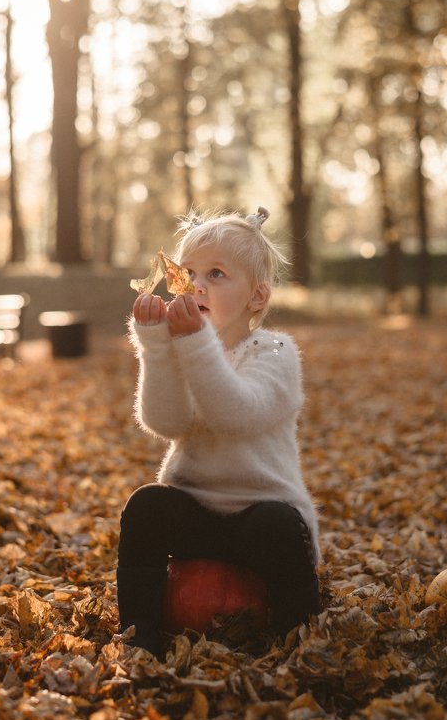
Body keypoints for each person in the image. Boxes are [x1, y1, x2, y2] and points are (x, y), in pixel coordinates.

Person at [117, 206, 320, 657]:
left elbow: (236, 413)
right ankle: (139, 636)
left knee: (277, 527)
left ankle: (302, 637)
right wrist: (154, 348)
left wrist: (191, 346)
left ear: (257, 297)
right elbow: (165, 422)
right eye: (187, 272)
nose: (196, 285)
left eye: (216, 273)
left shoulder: (275, 352)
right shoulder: (187, 348)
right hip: (197, 512)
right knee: (146, 506)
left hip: (261, 515)